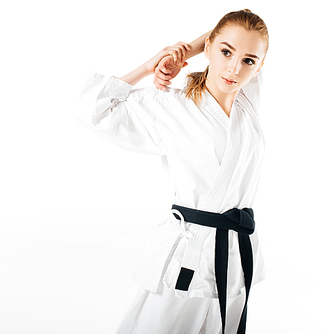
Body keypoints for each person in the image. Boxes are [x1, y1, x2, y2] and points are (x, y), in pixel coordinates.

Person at [76, 9, 269, 334]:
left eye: (249, 60)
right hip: (188, 257)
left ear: (260, 66)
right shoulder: (171, 106)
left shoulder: (247, 101)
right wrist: (163, 60)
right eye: (225, 52)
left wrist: (198, 50)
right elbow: (93, 108)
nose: (235, 68)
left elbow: (242, 20)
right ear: (209, 47)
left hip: (234, 257)